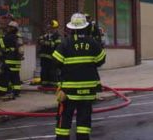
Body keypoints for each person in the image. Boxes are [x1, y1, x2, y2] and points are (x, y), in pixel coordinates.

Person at [53, 12, 106, 140]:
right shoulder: (93, 43)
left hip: (69, 91)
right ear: (85, 27)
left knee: (64, 119)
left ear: (71, 28)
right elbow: (101, 61)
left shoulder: (66, 43)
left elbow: (56, 62)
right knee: (84, 120)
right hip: (88, 90)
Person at [0, 20, 24, 99]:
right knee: (15, 77)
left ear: (12, 28)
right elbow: (21, 50)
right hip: (17, 62)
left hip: (8, 61)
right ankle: (16, 92)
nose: (8, 28)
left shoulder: (7, 37)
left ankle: (2, 92)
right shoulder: (18, 37)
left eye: (9, 27)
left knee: (4, 77)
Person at [38, 19, 62, 88]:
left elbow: (55, 45)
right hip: (44, 58)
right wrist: (46, 42)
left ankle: (53, 84)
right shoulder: (45, 36)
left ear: (55, 28)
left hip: (52, 58)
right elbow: (39, 40)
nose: (50, 29)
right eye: (49, 28)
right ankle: (44, 83)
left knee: (52, 72)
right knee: (44, 71)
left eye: (52, 28)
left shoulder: (57, 36)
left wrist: (45, 42)